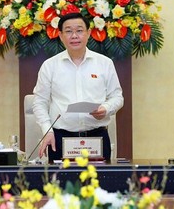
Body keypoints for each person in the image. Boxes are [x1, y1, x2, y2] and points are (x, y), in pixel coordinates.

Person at [32, 13, 124, 162]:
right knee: (59, 185)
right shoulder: (50, 66)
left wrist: (106, 109)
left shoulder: (104, 63)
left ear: (88, 33)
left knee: (98, 184)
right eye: (68, 31)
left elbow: (117, 97)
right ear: (60, 35)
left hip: (97, 137)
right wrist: (47, 131)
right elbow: (39, 102)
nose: (74, 36)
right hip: (60, 140)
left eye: (79, 30)